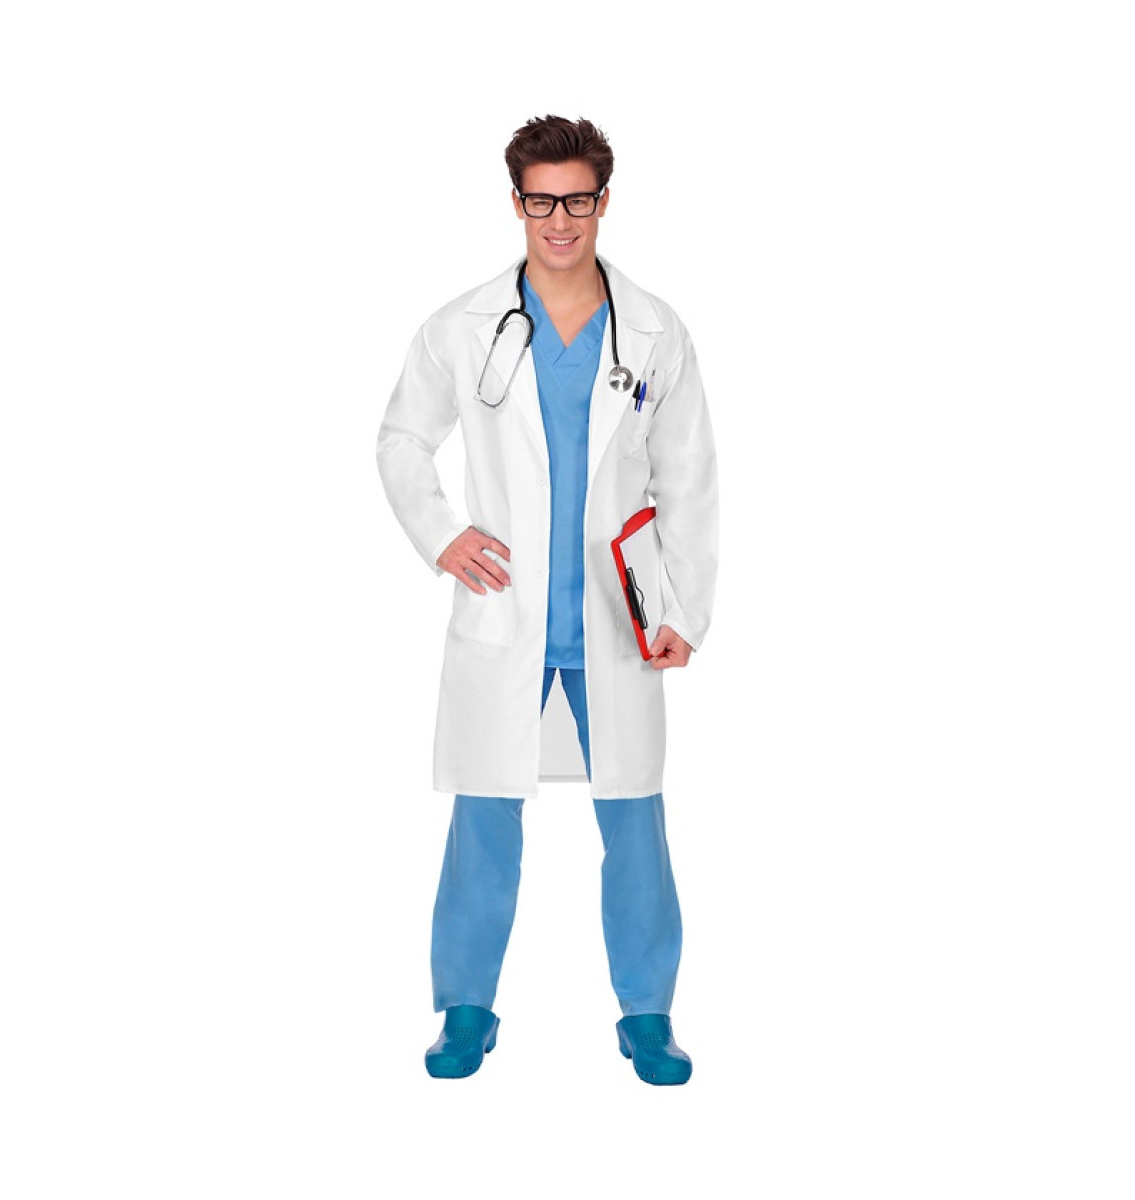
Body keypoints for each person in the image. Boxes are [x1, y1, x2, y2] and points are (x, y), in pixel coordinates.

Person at [375, 115, 719, 1085]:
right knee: (483, 820)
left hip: (616, 617)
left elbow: (690, 476)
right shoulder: (464, 326)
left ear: (603, 202)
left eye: (575, 200)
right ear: (516, 202)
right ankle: (465, 1011)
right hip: (507, 616)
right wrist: (442, 535)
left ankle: (647, 1016)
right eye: (540, 200)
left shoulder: (653, 331)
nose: (558, 219)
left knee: (635, 822)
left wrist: (684, 609)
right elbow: (401, 440)